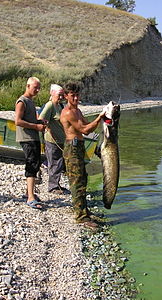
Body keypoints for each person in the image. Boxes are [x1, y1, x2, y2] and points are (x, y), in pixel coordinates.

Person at [60, 83, 105, 229]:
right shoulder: (68, 112)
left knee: (83, 179)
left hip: (79, 146)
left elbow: (87, 124)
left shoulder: (77, 111)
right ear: (66, 96)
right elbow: (85, 130)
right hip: (72, 148)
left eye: (77, 95)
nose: (76, 97)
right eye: (72, 95)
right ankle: (81, 217)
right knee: (76, 181)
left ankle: (83, 210)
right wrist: (99, 118)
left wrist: (102, 119)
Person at [15, 77, 47, 209]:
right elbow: (18, 121)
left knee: (35, 163)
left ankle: (28, 192)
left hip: (33, 137)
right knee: (32, 164)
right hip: (27, 138)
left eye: (39, 88)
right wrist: (36, 127)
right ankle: (30, 197)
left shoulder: (30, 101)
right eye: (35, 88)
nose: (38, 90)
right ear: (28, 86)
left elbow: (31, 119)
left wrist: (40, 122)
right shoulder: (22, 101)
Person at [38, 84, 70, 195]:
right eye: (59, 95)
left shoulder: (60, 106)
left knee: (59, 163)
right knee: (54, 162)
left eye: (62, 95)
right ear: (52, 93)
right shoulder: (50, 105)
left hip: (61, 140)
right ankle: (53, 187)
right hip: (52, 140)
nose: (61, 97)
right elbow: (41, 119)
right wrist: (47, 127)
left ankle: (57, 184)